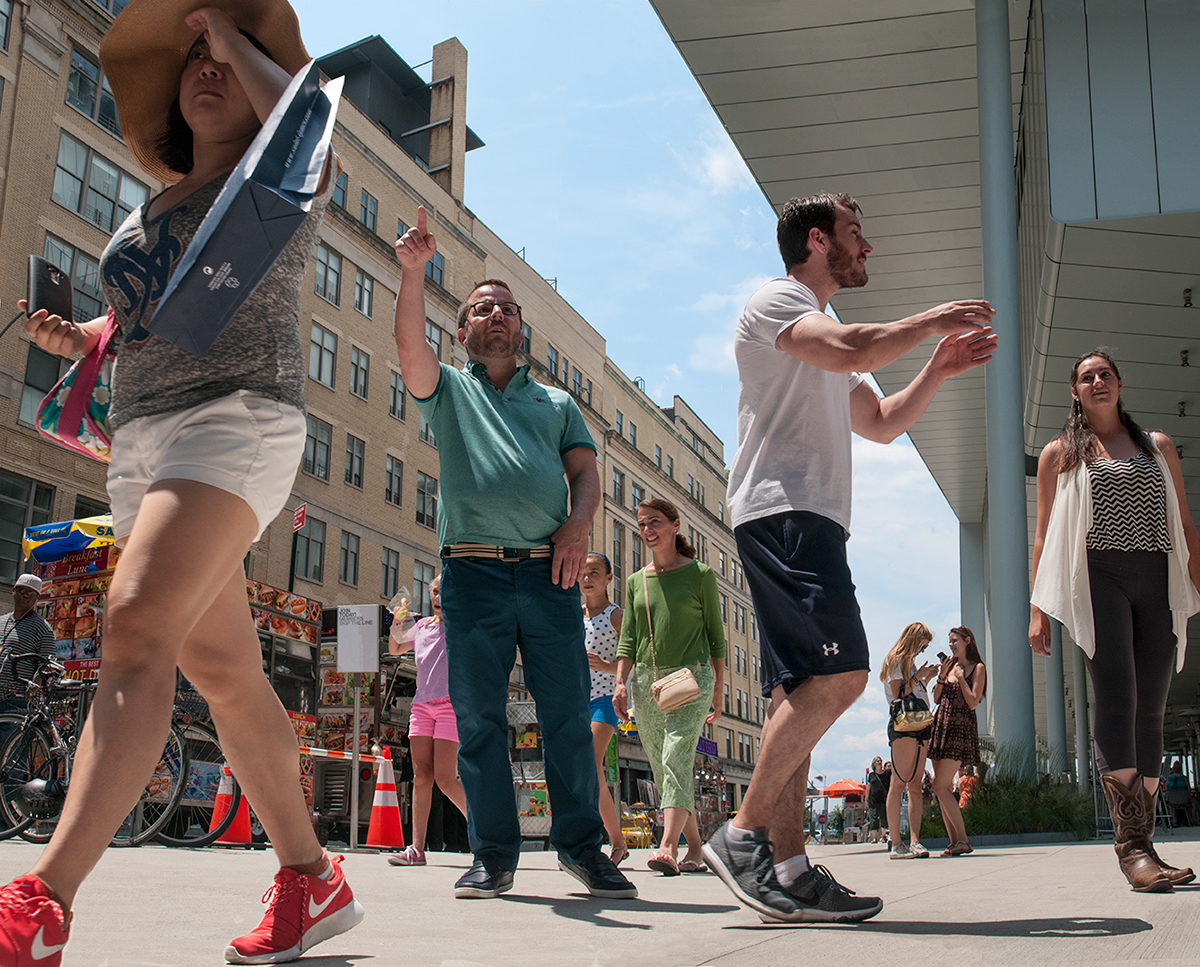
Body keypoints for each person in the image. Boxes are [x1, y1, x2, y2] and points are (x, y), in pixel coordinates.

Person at [0, 4, 364, 965]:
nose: (207, 69)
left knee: (134, 627)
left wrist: (226, 29)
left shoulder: (284, 173)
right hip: (145, 442)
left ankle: (42, 899)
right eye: (192, 59)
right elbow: (146, 318)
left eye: (222, 59)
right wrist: (81, 341)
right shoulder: (145, 207)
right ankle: (311, 878)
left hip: (236, 418)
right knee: (231, 677)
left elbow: (303, 118)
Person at [703, 191, 995, 923]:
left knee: (796, 692)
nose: (868, 249)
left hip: (814, 519)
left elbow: (884, 421)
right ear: (815, 240)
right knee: (843, 672)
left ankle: (793, 866)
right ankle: (741, 837)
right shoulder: (778, 301)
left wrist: (936, 366)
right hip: (783, 510)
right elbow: (856, 350)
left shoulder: (825, 327)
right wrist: (930, 319)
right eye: (855, 235)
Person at [392, 213, 636, 902]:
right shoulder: (448, 389)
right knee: (479, 719)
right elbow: (409, 350)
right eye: (480, 308)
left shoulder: (556, 401)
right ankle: (493, 855)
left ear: (520, 328)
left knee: (563, 714)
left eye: (506, 308)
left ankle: (583, 850)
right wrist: (412, 273)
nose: (495, 314)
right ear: (463, 329)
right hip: (470, 574)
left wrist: (579, 525)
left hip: (548, 570)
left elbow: (585, 474)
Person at [1030, 348, 1200, 892]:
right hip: (1099, 576)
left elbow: (1185, 523)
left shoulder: (1158, 446)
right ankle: (1131, 850)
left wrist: (1196, 577)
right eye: (1086, 377)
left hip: (1156, 576)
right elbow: (1043, 536)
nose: (1097, 381)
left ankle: (1146, 844)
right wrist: (1037, 610)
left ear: (1120, 384)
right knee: (1119, 697)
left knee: (1152, 705)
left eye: (1105, 374)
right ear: (1075, 393)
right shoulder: (1060, 455)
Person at [612, 499, 724, 876]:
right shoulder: (635, 581)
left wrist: (720, 690)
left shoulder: (701, 575)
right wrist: (620, 684)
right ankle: (695, 847)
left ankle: (666, 847)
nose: (647, 531)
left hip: (693, 680)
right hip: (647, 682)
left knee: (676, 757)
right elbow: (627, 639)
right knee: (664, 770)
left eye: (654, 522)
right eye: (642, 524)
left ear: (675, 525)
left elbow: (716, 639)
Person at [388, 574, 468, 867]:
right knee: (422, 776)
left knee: (446, 779)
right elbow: (395, 648)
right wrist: (399, 617)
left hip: (450, 707)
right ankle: (416, 848)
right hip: (421, 707)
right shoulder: (421, 626)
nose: (438, 597)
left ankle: (487, 834)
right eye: (434, 591)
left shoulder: (460, 626)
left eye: (444, 591)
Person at [580, 552, 629, 865]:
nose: (587, 579)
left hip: (605, 700)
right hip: (578, 699)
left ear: (609, 578)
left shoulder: (615, 615)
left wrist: (607, 667)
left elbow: (632, 660)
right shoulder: (576, 614)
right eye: (583, 573)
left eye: (595, 572)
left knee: (590, 764)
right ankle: (615, 841)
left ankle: (614, 839)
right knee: (585, 770)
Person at [881, 622, 937, 860]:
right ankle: (896, 843)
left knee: (915, 784)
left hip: (919, 724)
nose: (923, 650)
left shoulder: (911, 664)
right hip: (903, 725)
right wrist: (920, 676)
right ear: (914, 640)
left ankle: (915, 840)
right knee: (898, 782)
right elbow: (898, 695)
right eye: (922, 645)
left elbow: (914, 692)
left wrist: (926, 677)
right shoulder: (896, 660)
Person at [929, 626, 986, 857]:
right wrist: (943, 675)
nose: (951, 645)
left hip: (959, 729)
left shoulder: (977, 668)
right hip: (941, 726)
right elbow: (936, 697)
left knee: (939, 786)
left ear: (967, 641)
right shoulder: (951, 665)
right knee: (942, 790)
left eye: (955, 641)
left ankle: (963, 840)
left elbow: (973, 701)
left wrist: (962, 679)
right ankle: (954, 842)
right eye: (950, 641)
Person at [865, 756, 890, 845]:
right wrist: (866, 799)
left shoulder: (886, 774)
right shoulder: (871, 775)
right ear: (874, 764)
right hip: (873, 800)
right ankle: (874, 838)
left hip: (883, 800)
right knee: (873, 819)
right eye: (877, 761)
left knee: (884, 819)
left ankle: (883, 836)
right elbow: (868, 788)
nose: (879, 762)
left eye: (880, 761)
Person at [1165, 762, 1190, 827]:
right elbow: (1188, 789)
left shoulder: (1169, 778)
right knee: (1190, 803)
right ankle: (1189, 819)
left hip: (1172, 800)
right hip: (1183, 800)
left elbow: (1166, 789)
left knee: (1171, 806)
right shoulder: (1184, 778)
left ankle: (1174, 820)